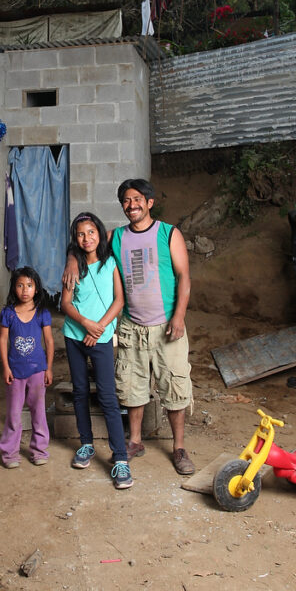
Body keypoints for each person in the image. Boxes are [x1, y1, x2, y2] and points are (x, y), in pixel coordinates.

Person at [64, 179, 195, 476]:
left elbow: (184, 277)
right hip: (131, 326)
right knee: (132, 387)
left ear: (149, 202)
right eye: (126, 200)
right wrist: (72, 260)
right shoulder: (116, 236)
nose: (131, 204)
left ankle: (178, 447)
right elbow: (87, 242)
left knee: (173, 386)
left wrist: (179, 317)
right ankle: (134, 441)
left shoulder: (168, 233)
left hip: (165, 324)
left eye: (137, 199)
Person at [60, 212, 132, 490]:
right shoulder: (73, 267)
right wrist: (85, 324)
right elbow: (66, 304)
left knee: (107, 395)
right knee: (80, 391)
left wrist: (100, 327)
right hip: (75, 335)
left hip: (100, 336)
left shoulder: (110, 263)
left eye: (91, 232)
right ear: (74, 239)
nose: (86, 238)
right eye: (80, 234)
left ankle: (121, 458)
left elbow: (119, 300)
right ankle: (86, 444)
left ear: (100, 234)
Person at [0, 267, 54, 468]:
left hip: (38, 371)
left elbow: (49, 341)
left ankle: (39, 450)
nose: (24, 290)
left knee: (38, 413)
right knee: (14, 414)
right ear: (14, 288)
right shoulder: (8, 313)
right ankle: (10, 453)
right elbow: (3, 340)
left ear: (36, 289)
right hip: (15, 372)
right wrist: (5, 367)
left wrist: (48, 368)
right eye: (20, 285)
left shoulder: (42, 313)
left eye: (29, 285)